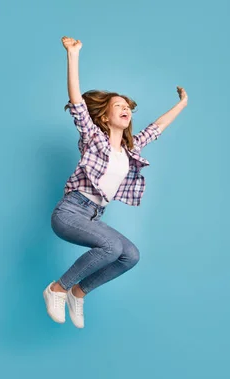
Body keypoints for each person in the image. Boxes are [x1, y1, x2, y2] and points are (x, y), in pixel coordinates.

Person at [43, 36, 189, 328]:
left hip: (92, 216)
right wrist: (73, 55)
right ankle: (57, 289)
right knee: (111, 247)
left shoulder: (130, 149)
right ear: (105, 116)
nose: (126, 109)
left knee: (130, 256)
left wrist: (183, 103)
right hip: (70, 212)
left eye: (128, 107)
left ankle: (78, 292)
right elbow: (77, 104)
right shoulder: (94, 139)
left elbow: (156, 128)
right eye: (118, 105)